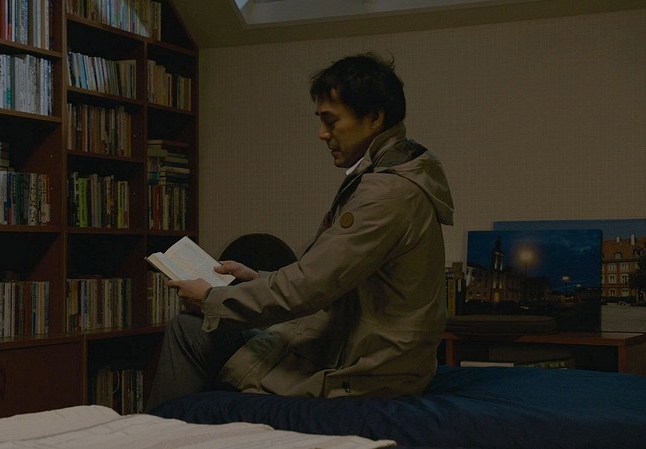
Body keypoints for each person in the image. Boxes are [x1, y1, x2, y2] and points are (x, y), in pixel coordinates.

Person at [145, 52, 454, 411]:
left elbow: (310, 287)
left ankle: (164, 430)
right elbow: (329, 276)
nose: (322, 134)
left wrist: (212, 299)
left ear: (374, 118)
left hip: (368, 370)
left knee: (189, 329)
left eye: (331, 121)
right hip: (357, 346)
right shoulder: (392, 173)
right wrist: (254, 279)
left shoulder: (387, 193)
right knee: (195, 328)